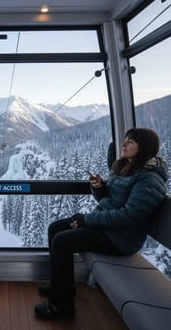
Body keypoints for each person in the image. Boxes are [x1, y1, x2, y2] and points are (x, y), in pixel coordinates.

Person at [35, 128, 168, 320]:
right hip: (108, 228)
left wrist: (86, 220)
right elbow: (109, 200)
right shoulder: (127, 168)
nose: (123, 144)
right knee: (55, 228)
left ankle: (62, 307)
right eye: (125, 140)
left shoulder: (150, 180)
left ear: (145, 147)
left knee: (62, 241)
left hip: (121, 239)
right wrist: (99, 188)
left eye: (130, 141)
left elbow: (128, 217)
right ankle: (59, 286)